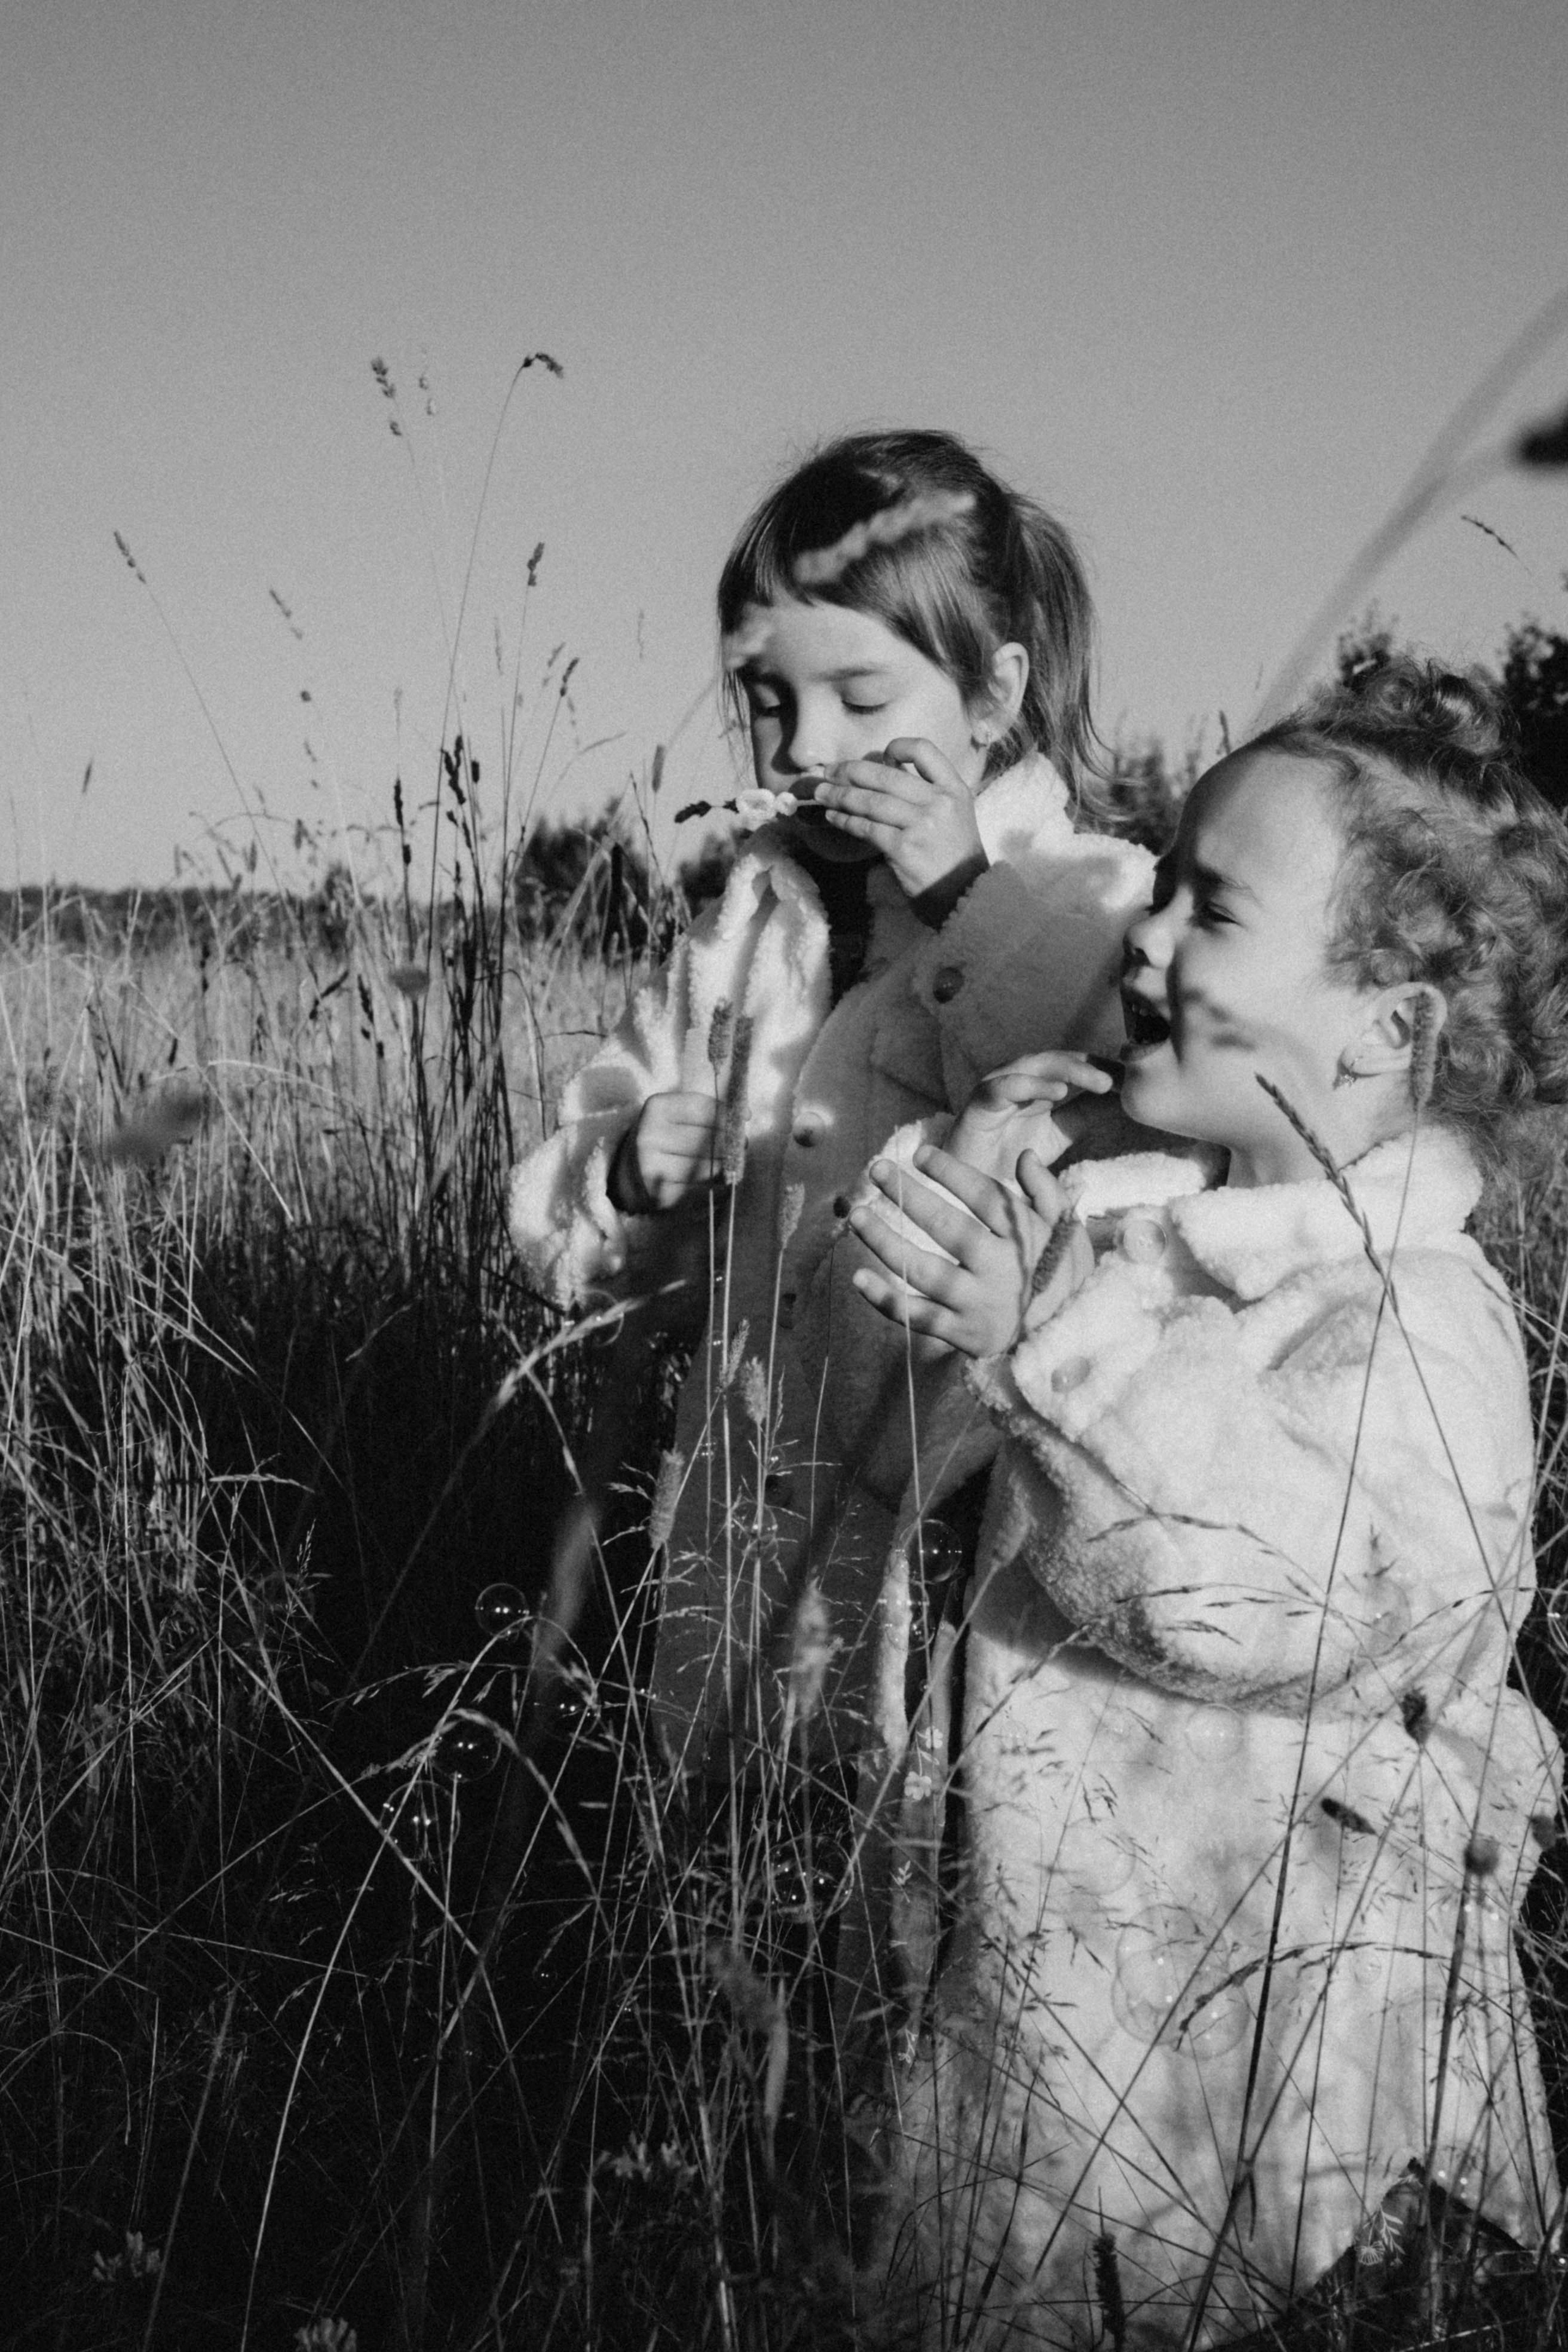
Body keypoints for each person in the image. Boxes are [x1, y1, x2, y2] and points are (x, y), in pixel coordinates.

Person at [845, 657, 1568, 2346]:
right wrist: (973, 1198)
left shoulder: (1419, 1325)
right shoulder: (1137, 1237)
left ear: (1388, 1028)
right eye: (1157, 883)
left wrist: (1047, 1340)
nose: (1147, 940)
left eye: (1214, 911)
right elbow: (923, 1487)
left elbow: (1239, 1594)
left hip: (1290, 2162)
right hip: (1052, 2069)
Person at [507, 429, 1152, 1803]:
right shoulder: (748, 930)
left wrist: (961, 900)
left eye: (860, 697)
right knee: (735, 1863)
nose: (804, 746)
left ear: (990, 696)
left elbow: (1111, 1105)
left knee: (908, 1882)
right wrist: (625, 1175)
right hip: (738, 1524)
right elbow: (599, 1199)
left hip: (957, 1538)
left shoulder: (1086, 904)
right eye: (763, 700)